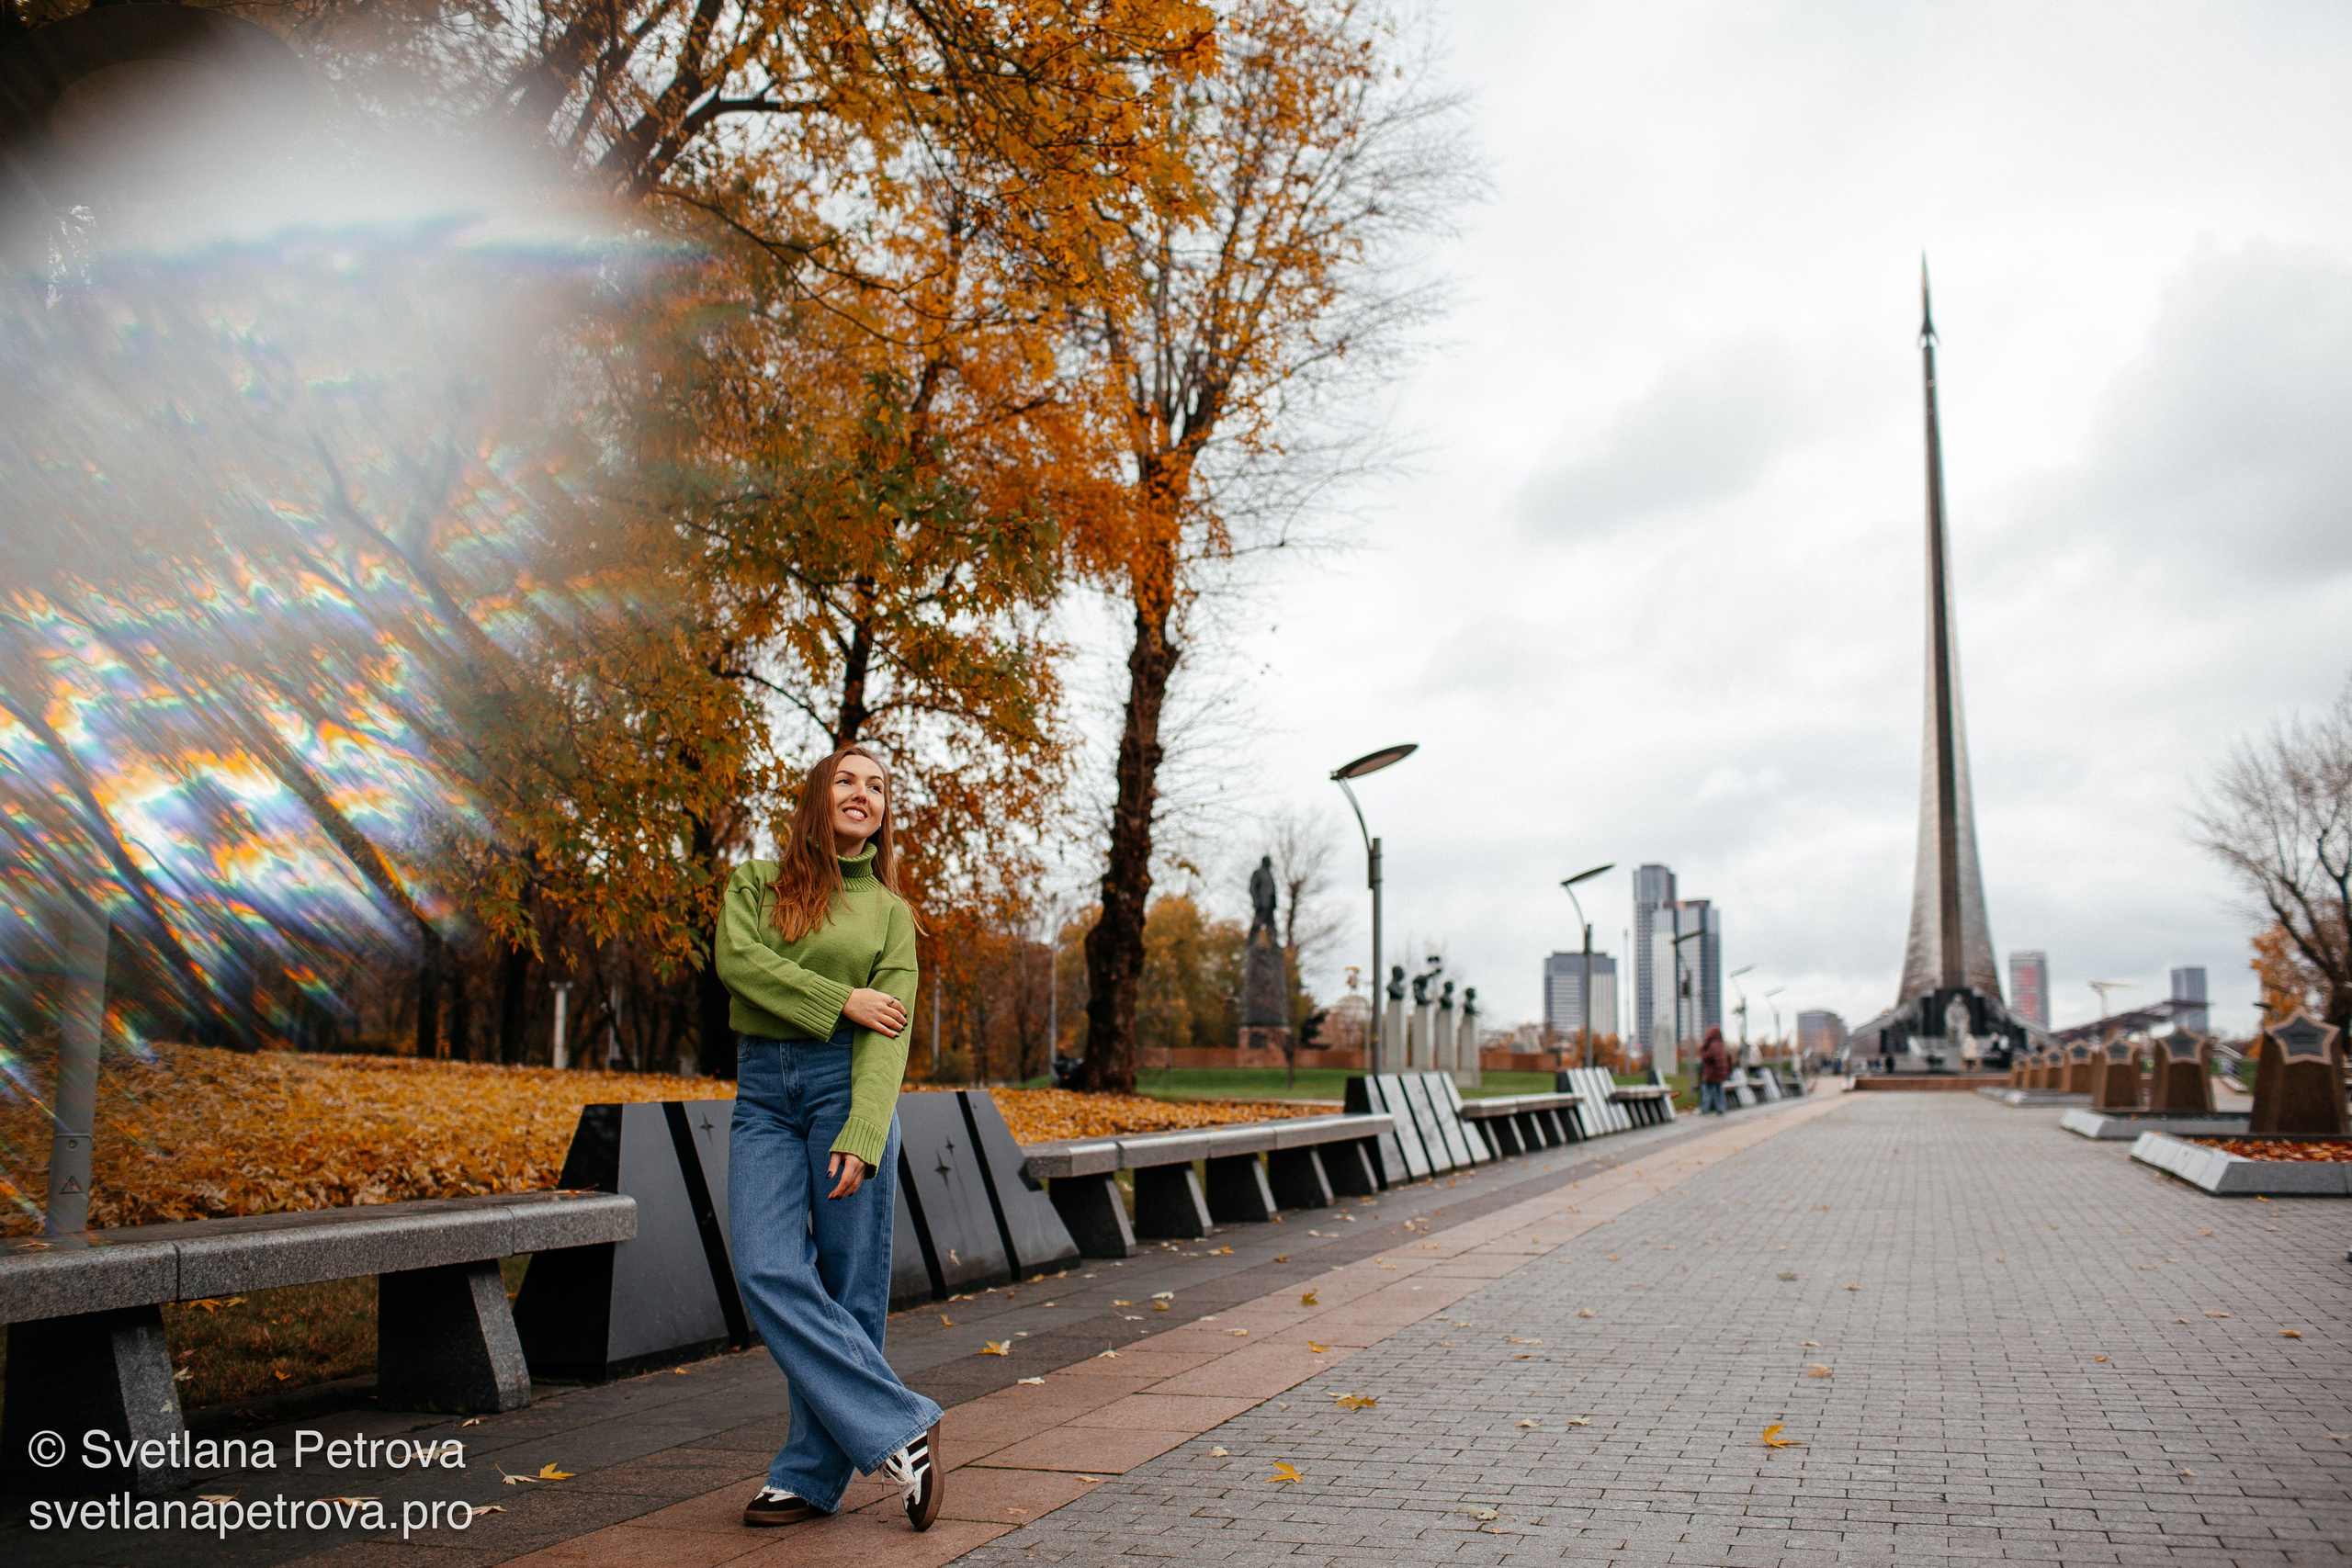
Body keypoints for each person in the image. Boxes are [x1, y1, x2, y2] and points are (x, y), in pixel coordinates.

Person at [715, 744, 942, 1531]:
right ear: (817, 797)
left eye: (877, 786)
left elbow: (890, 1032)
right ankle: (900, 1421)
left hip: (848, 1088)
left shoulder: (890, 913)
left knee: (849, 1286)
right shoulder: (756, 882)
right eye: (846, 778)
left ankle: (810, 1477)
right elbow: (738, 963)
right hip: (763, 1096)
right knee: (767, 1265)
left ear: (884, 814)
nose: (863, 792)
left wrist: (866, 1127)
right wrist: (840, 996)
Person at [1698, 1025, 1732, 1115]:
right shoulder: (1720, 1045)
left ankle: (1704, 1109)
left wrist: (1702, 1049)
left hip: (1711, 1073)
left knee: (1707, 1091)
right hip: (1719, 1074)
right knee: (1718, 1092)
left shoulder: (1713, 1045)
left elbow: (1707, 1057)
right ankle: (1720, 1108)